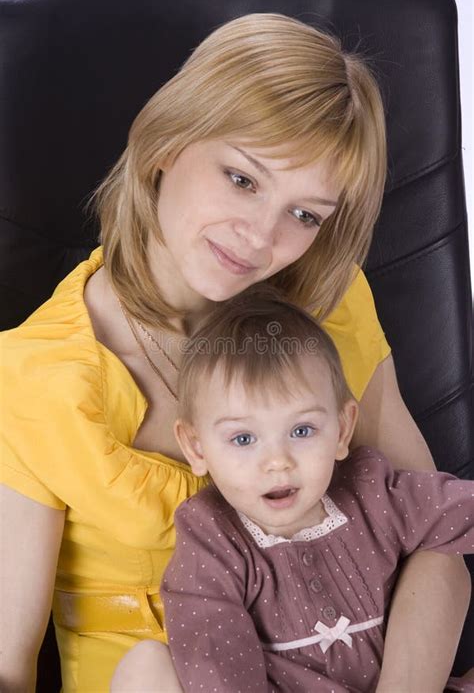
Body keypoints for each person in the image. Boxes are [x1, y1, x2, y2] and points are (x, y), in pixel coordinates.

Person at [0, 12, 470, 693]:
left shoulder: (327, 308)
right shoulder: (34, 376)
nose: (260, 236)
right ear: (168, 144)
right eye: (243, 179)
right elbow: (9, 664)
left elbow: (432, 537)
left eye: (304, 213)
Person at [110, 286, 474, 693]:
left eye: (302, 431)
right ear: (196, 447)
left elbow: (458, 510)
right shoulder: (211, 540)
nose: (277, 462)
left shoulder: (371, 490)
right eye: (244, 439)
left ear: (342, 429)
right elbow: (216, 663)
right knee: (143, 666)